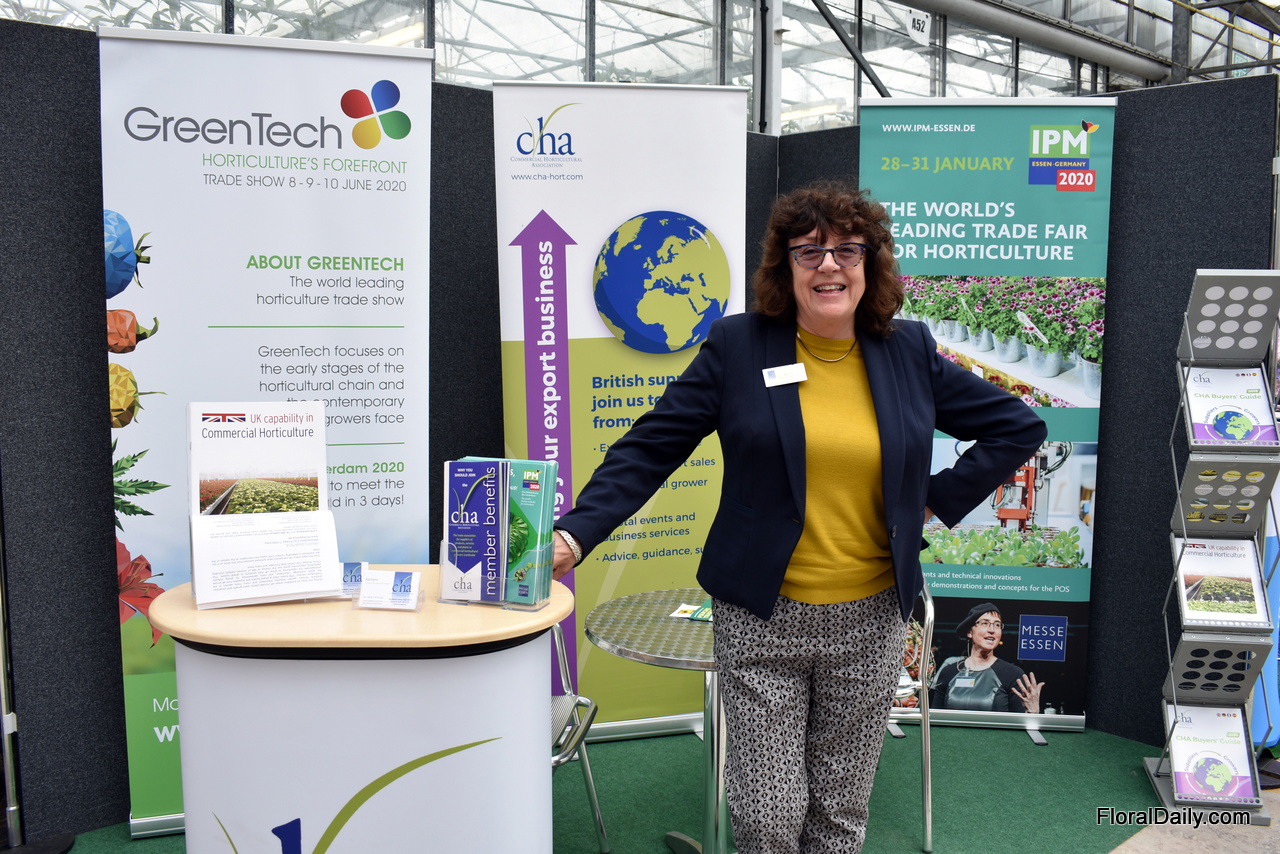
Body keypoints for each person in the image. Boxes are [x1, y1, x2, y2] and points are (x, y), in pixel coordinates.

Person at [551, 180, 1047, 853]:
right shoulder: (739, 346)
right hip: (762, 616)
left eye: (847, 249)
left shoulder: (907, 351)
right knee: (769, 816)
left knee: (840, 812)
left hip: (872, 619)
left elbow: (1018, 426)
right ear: (784, 267)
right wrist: (576, 533)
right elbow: (651, 446)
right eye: (808, 251)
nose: (828, 265)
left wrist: (930, 498)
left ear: (871, 263)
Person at [929, 601, 1045, 713]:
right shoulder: (949, 672)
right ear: (970, 632)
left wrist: (1032, 712)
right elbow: (935, 719)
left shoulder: (1012, 674)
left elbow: (1020, 723)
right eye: (985, 623)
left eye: (997, 625)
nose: (992, 630)